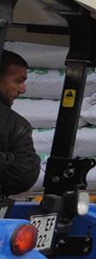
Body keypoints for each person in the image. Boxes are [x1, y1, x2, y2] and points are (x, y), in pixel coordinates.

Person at [0, 50, 41, 196]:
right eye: (18, 81)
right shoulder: (15, 124)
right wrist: (7, 159)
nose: (22, 89)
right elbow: (23, 174)